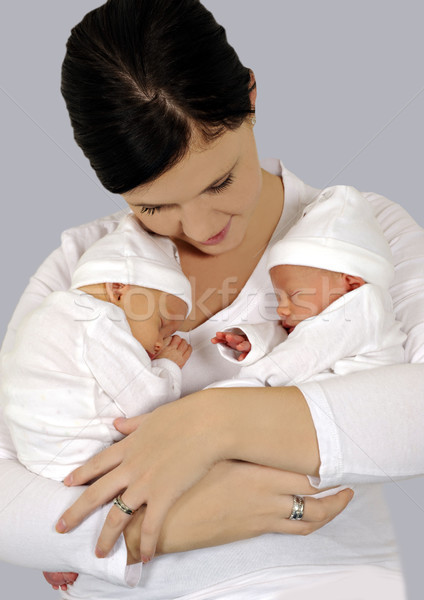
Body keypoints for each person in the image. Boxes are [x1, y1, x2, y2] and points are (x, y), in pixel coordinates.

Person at [0, 1, 423, 598]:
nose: (199, 228)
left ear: (251, 97)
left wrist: (206, 426)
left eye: (219, 182)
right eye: (153, 207)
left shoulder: (355, 230)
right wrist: (180, 522)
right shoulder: (84, 266)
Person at [1, 213, 192, 591]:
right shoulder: (97, 323)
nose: (158, 343)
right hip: (82, 458)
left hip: (38, 459)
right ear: (119, 289)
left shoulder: (47, 313)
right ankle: (62, 548)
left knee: (61, 517)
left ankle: (50, 548)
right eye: (161, 325)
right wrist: (169, 365)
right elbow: (146, 400)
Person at [212, 184, 406, 386]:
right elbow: (296, 340)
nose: (280, 308)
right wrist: (255, 341)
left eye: (294, 295)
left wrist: (236, 389)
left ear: (351, 285)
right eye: (279, 297)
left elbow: (299, 356)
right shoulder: (325, 324)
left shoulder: (364, 308)